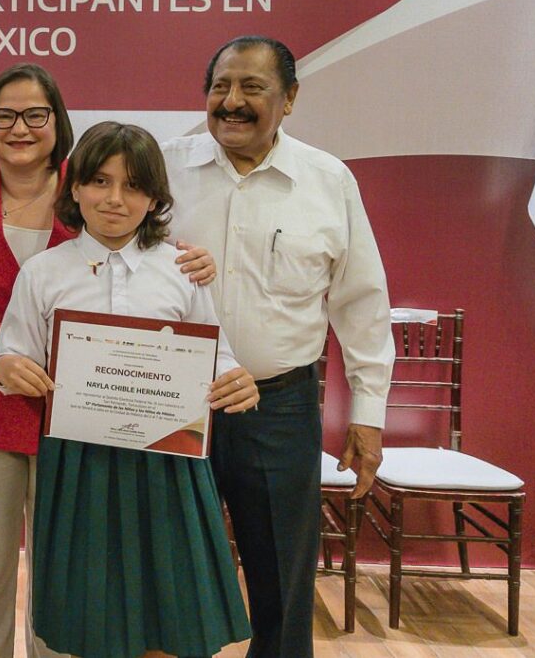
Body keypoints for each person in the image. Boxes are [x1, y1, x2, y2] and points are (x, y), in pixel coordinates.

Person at [0, 65, 217, 657]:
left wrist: (193, 257)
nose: (20, 127)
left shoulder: (94, 178)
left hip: (80, 408)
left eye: (36, 115)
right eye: (5, 115)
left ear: (58, 122)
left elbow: (144, 244)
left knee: (65, 567)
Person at [161, 35, 396, 658]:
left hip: (279, 407)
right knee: (169, 570)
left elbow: (362, 303)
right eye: (220, 87)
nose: (232, 102)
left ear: (289, 99)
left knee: (282, 584)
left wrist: (369, 416)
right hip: (169, 400)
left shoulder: (327, 181)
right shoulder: (161, 169)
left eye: (252, 88)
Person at [0, 121, 257, 658]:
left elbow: (216, 353)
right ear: (75, 188)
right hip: (79, 462)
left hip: (169, 459)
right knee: (92, 608)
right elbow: (10, 351)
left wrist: (235, 379)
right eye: (100, 181)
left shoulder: (181, 270)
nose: (115, 199)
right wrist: (8, 369)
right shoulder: (43, 272)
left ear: (155, 197)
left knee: (170, 605)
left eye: (134, 186)